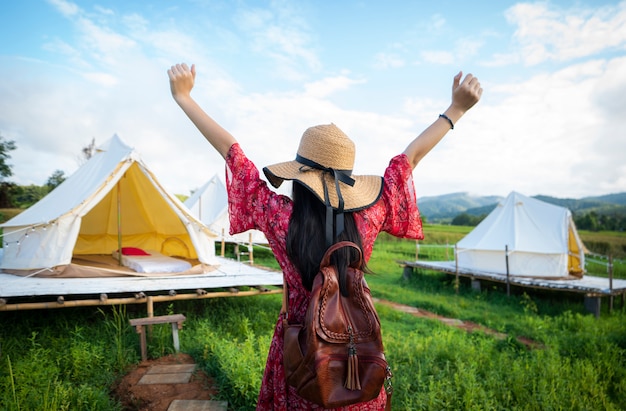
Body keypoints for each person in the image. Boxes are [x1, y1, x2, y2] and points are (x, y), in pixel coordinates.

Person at [168, 62, 482, 410]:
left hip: (302, 355)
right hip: (354, 358)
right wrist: (456, 109)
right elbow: (409, 158)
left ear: (299, 175)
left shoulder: (282, 217)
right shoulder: (370, 215)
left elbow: (233, 154)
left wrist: (184, 98)